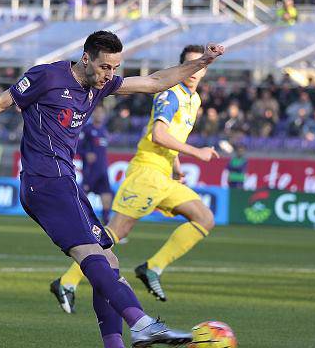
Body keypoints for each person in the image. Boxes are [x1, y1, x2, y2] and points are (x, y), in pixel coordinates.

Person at [0, 32, 224, 348]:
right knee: (89, 254)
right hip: (45, 181)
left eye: (114, 67)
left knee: (109, 259)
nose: (109, 74)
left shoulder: (101, 84)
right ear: (86, 58)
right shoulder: (47, 76)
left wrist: (203, 61)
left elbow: (156, 81)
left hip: (64, 182)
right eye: (104, 66)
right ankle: (142, 323)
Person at [51, 44, 220, 308]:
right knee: (115, 232)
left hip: (164, 174)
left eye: (201, 65)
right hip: (147, 172)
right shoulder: (171, 94)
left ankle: (152, 268)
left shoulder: (194, 99)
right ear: (183, 66)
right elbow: (159, 135)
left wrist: (176, 166)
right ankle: (67, 281)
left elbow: (171, 138)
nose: (196, 70)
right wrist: (196, 153)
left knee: (204, 218)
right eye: (191, 64)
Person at [78, 105, 112, 224]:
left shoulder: (104, 130)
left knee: (107, 197)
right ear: (93, 114)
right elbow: (77, 147)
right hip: (90, 171)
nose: (99, 115)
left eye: (101, 113)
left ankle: (107, 227)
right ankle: (79, 223)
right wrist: (86, 153)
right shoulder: (87, 129)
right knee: (82, 199)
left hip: (103, 170)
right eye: (97, 112)